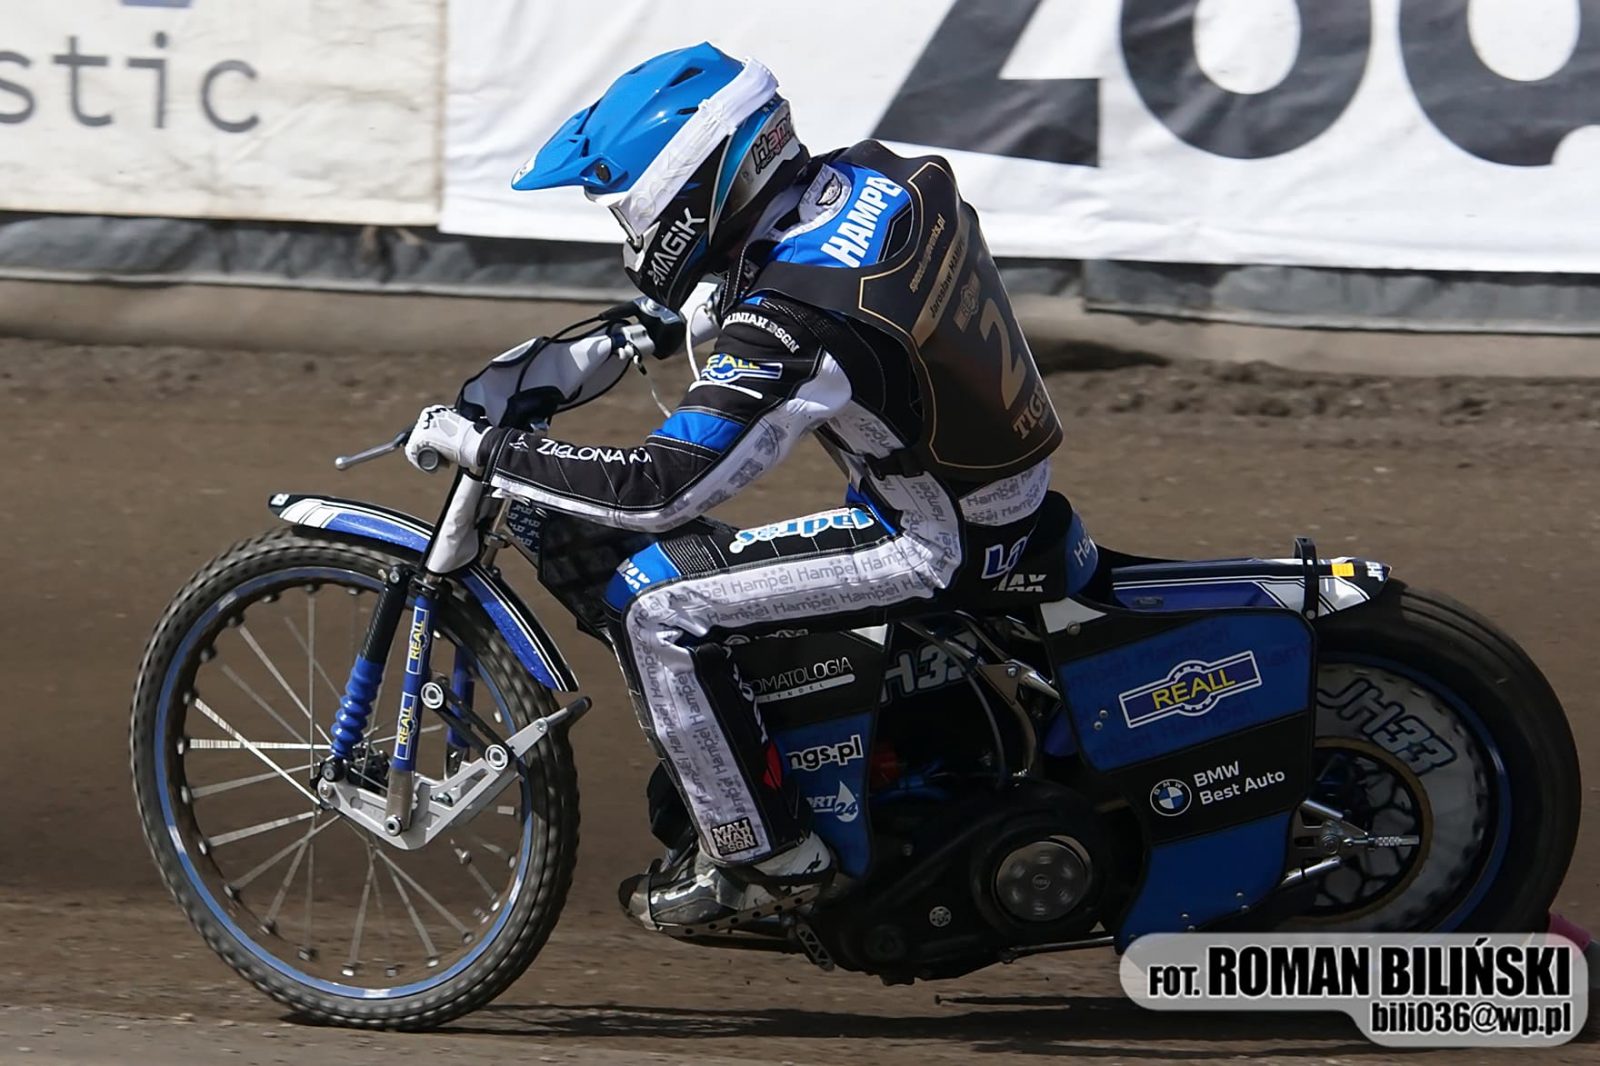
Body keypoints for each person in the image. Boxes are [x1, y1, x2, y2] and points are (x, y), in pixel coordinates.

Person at [404, 42, 1063, 932]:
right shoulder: (873, 178)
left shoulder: (790, 319)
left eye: (627, 209)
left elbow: (658, 490)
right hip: (989, 489)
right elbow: (777, 286)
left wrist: (486, 448)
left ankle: (760, 859)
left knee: (655, 603)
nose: (628, 235)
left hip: (936, 539)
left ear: (686, 190)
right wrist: (637, 333)